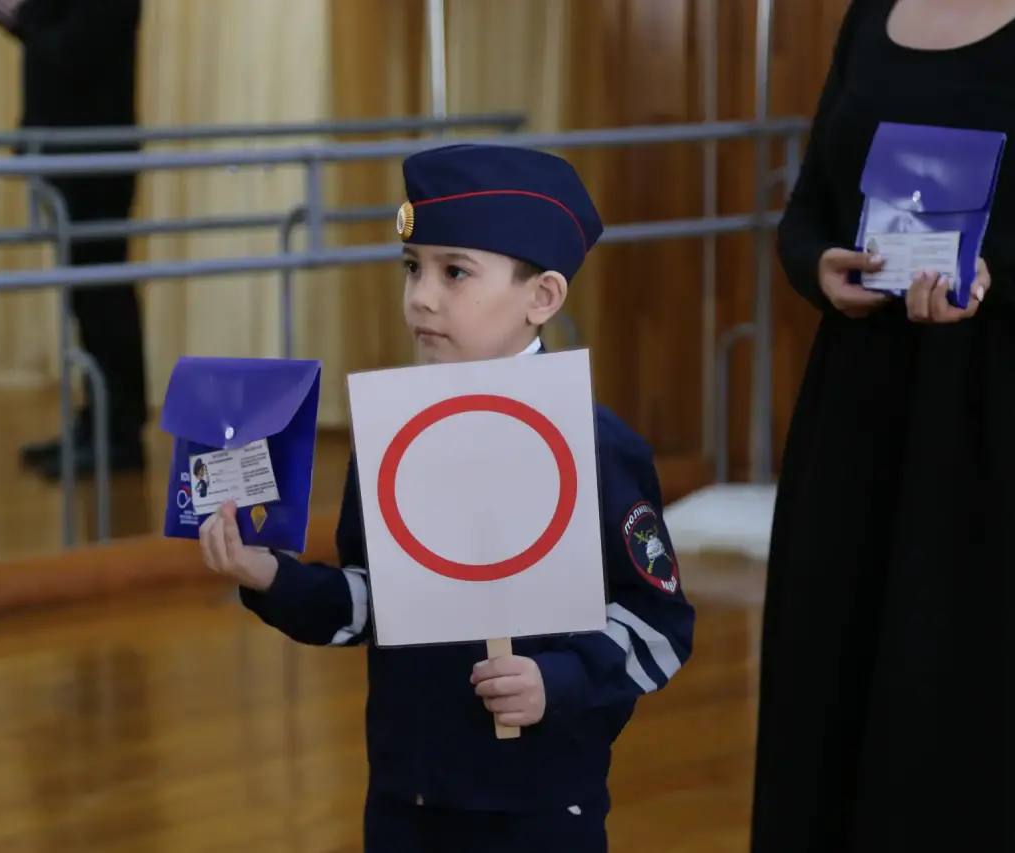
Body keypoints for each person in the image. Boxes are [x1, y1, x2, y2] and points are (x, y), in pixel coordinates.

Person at [198, 144, 696, 853]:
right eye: (413, 267)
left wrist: (558, 679)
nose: (422, 295)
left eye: (454, 271)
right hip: (407, 798)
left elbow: (658, 627)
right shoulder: (389, 432)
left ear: (542, 297)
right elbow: (374, 602)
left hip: (540, 806)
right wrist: (270, 577)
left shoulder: (595, 442)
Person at [754, 0, 1015, 850]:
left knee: (979, 693)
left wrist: (1003, 273)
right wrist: (817, 267)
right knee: (834, 684)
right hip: (860, 408)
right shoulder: (871, 14)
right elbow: (809, 210)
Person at [0, 0, 147, 478]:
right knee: (84, 299)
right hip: (64, 151)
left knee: (103, 295)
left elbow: (75, 50)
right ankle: (96, 423)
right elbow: (51, 47)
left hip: (94, 155)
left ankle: (121, 432)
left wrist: (17, 16)